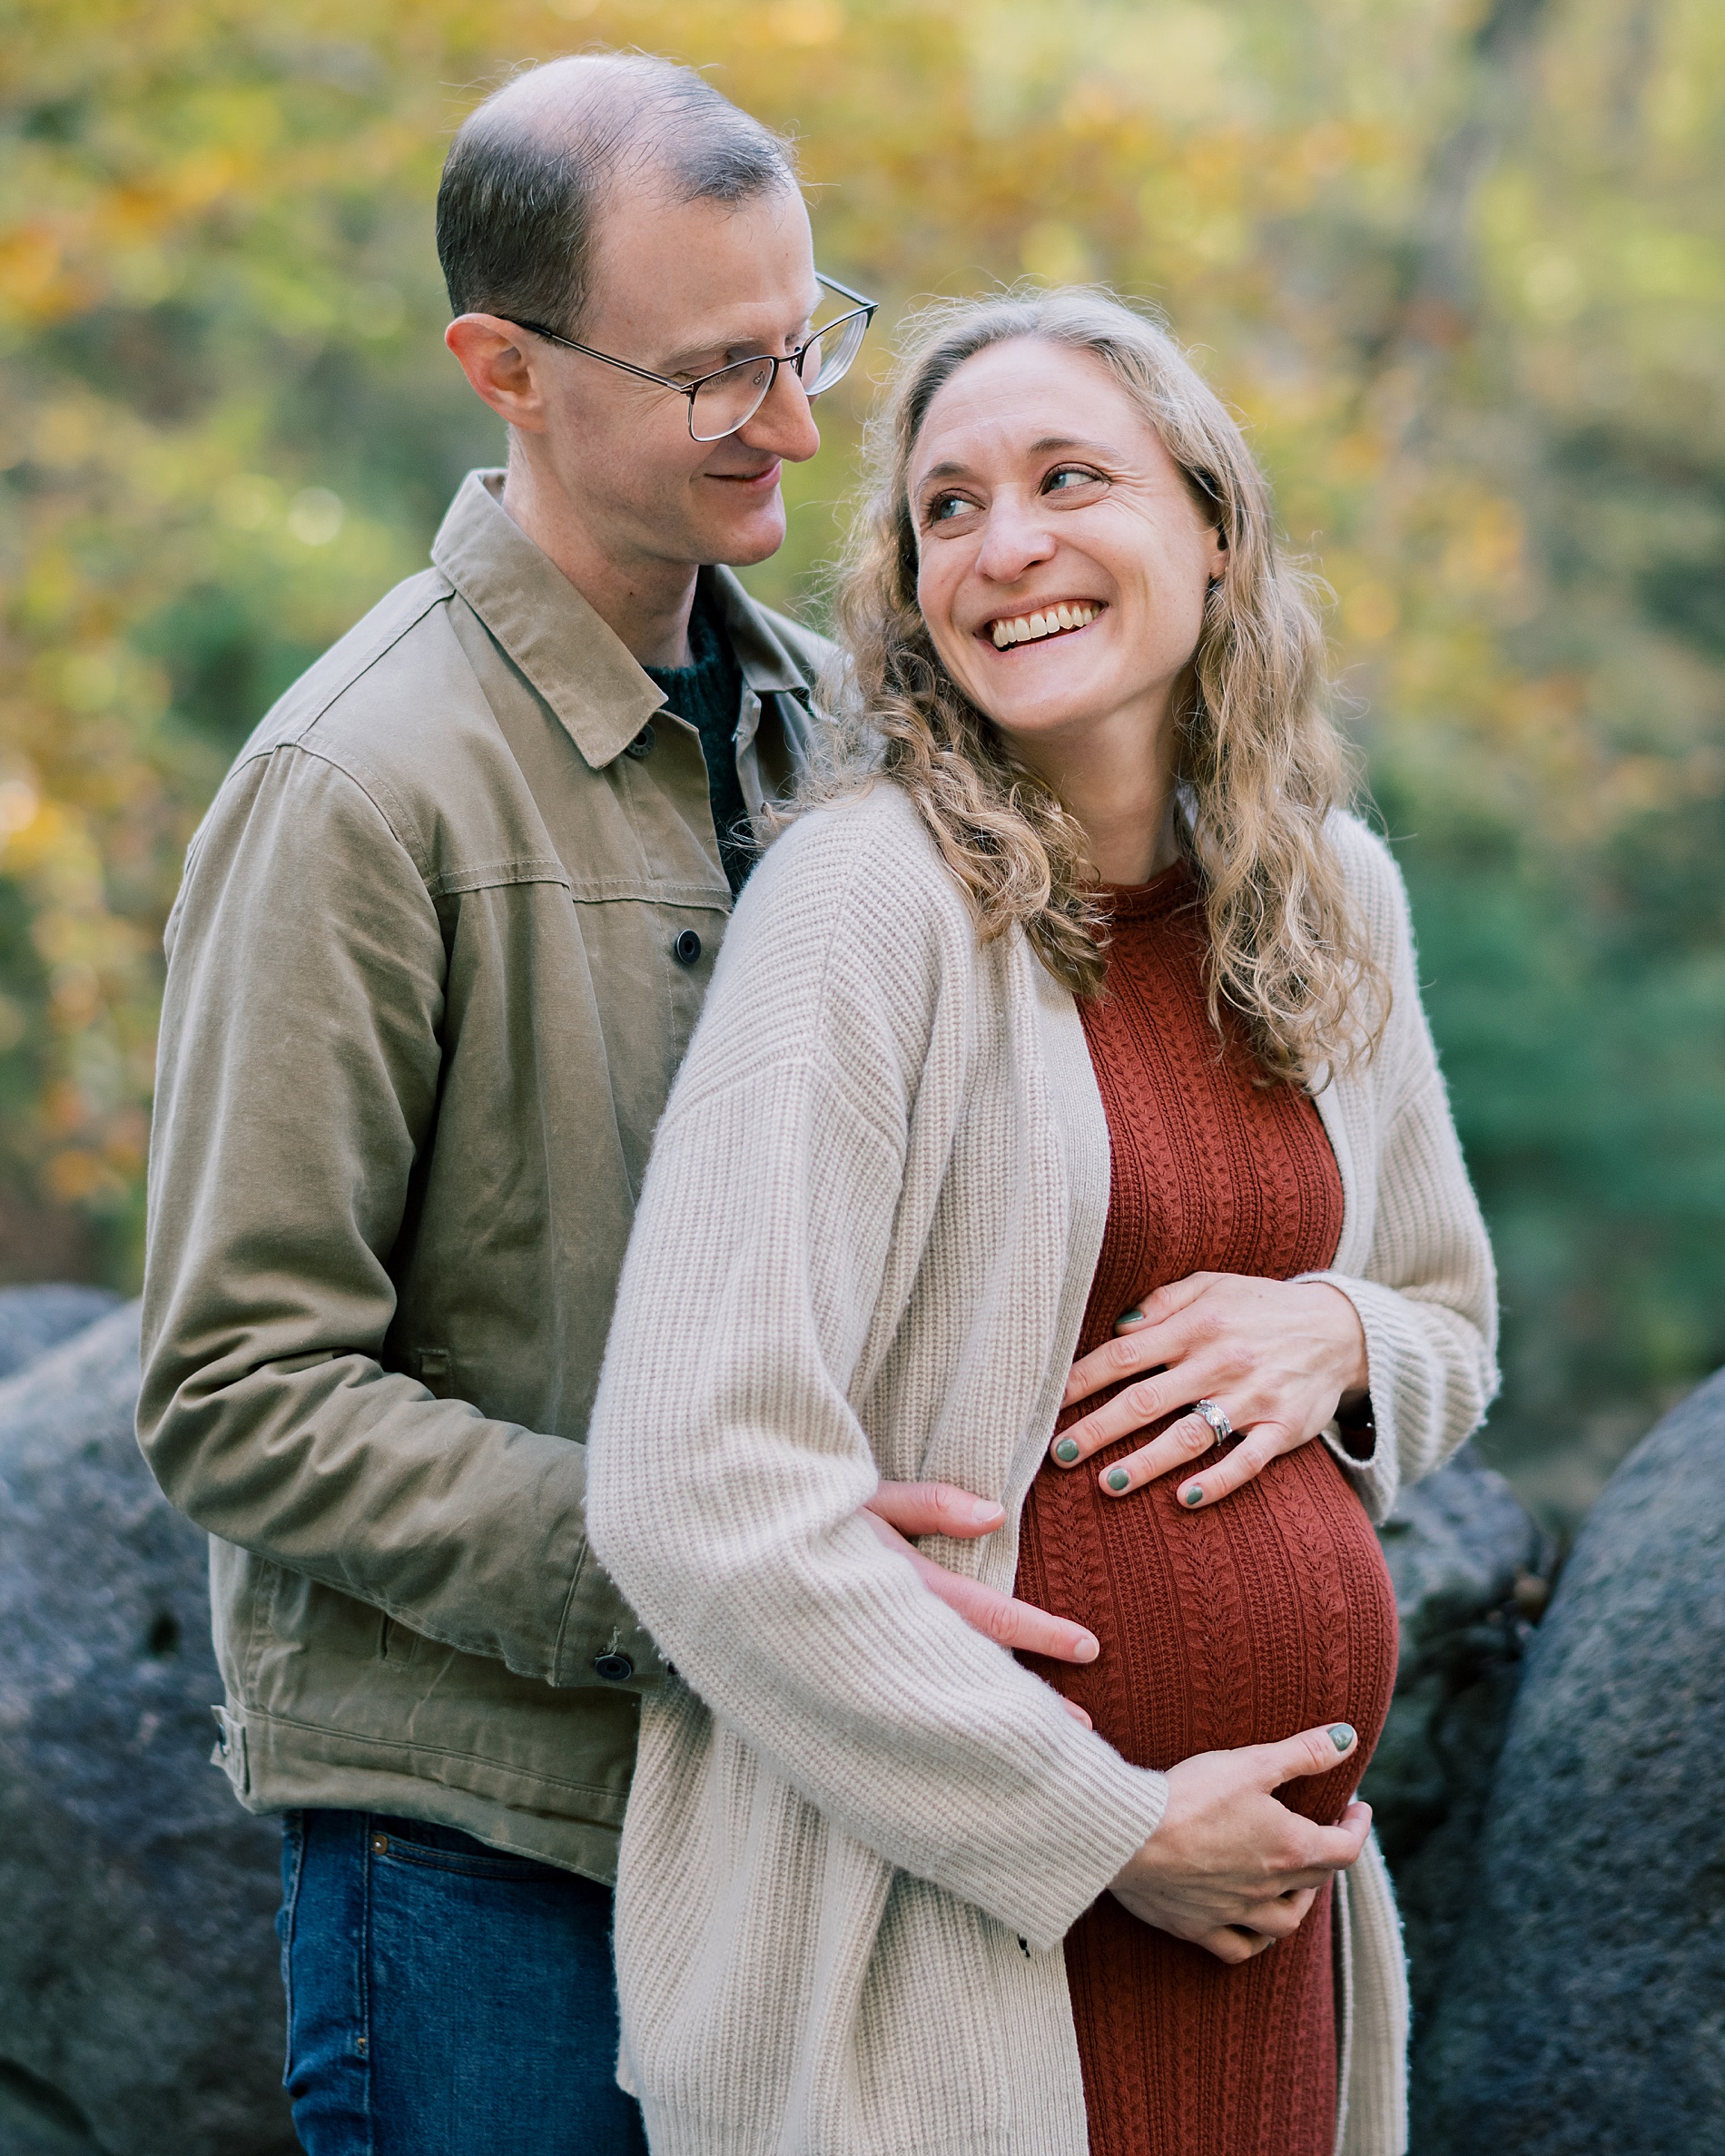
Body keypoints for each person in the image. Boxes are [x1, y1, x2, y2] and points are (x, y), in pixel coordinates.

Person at [133, 54, 1101, 2156]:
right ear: (503, 366)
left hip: (809, 1826)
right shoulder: (352, 793)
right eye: (715, 372)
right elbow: (231, 1392)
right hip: (484, 1867)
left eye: (807, 334)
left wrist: (1322, 1325)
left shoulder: (846, 735)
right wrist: (732, 1576)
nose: (797, 420)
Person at [586, 288, 1498, 2156]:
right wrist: (1103, 1826)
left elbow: (1445, 1322)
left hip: (1261, 1944)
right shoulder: (867, 907)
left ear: (1211, 524)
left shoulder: (1334, 901)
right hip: (945, 1940)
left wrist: (1342, 1333)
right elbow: (692, 1477)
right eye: (945, 507)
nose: (1004, 549)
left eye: (1066, 478)